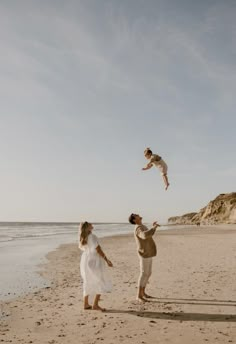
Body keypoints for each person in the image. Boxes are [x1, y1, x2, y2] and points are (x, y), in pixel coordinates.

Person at [79, 221, 113, 311]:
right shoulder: (92, 236)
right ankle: (95, 304)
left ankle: (85, 304)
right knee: (100, 280)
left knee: (87, 281)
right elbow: (98, 249)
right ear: (88, 227)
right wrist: (106, 259)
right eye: (90, 224)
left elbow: (85, 249)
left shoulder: (83, 237)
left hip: (86, 260)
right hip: (94, 260)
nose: (92, 225)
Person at [128, 213, 160, 302]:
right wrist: (153, 228)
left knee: (148, 273)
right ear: (134, 220)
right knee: (143, 273)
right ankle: (138, 295)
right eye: (137, 215)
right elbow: (144, 235)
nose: (139, 215)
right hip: (144, 253)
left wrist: (153, 227)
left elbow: (148, 234)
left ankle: (143, 293)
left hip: (148, 252)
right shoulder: (138, 228)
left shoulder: (142, 225)